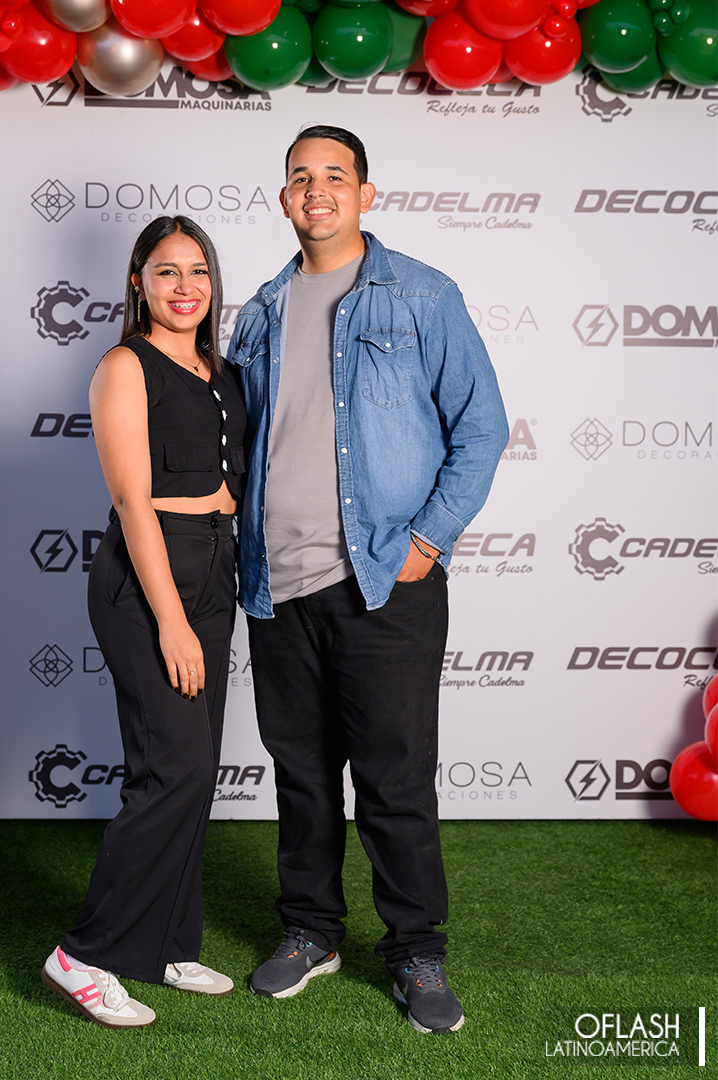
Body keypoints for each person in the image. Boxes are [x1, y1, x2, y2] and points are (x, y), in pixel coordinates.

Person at [228, 125, 508, 1035]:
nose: (317, 191)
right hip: (279, 586)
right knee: (302, 775)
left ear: (365, 193)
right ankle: (310, 931)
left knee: (395, 777)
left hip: (386, 582)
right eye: (300, 177)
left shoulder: (421, 294)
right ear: (284, 198)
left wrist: (427, 539)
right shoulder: (261, 311)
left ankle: (416, 950)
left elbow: (482, 426)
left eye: (335, 176)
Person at [41, 215, 247, 1028]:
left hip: (218, 566)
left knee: (192, 770)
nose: (185, 286)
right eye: (166, 271)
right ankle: (83, 954)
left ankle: (165, 943)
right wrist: (171, 619)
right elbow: (132, 502)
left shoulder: (221, 370)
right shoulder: (124, 365)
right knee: (176, 770)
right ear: (138, 282)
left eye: (198, 271)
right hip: (151, 574)